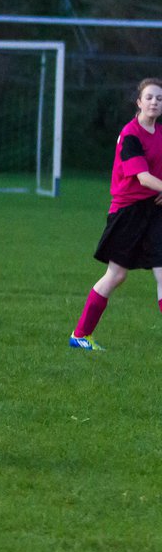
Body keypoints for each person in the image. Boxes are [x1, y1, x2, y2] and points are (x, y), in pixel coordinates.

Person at [68, 79, 162, 350]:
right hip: (128, 212)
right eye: (150, 97)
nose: (155, 102)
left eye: (159, 98)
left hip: (155, 211)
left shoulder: (159, 133)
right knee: (117, 275)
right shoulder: (130, 134)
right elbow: (143, 178)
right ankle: (80, 335)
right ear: (139, 102)